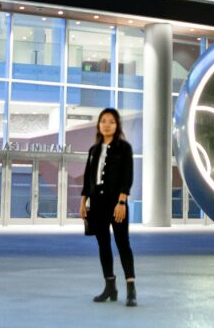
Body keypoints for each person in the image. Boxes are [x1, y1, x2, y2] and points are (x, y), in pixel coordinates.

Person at [80, 107, 137, 307]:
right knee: (103, 245)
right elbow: (88, 179)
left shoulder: (124, 148)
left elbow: (127, 177)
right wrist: (83, 203)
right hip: (97, 205)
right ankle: (110, 287)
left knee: (123, 244)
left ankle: (131, 289)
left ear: (117, 125)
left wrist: (122, 201)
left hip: (116, 204)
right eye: (103, 120)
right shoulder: (93, 151)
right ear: (98, 124)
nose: (106, 124)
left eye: (111, 121)